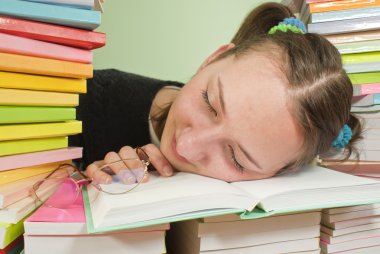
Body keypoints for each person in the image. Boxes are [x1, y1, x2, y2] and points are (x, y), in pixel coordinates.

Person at [69, 2, 363, 184]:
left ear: (280, 174)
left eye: (236, 159)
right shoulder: (82, 101)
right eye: (209, 102)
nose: (186, 145)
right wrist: (82, 184)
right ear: (212, 59)